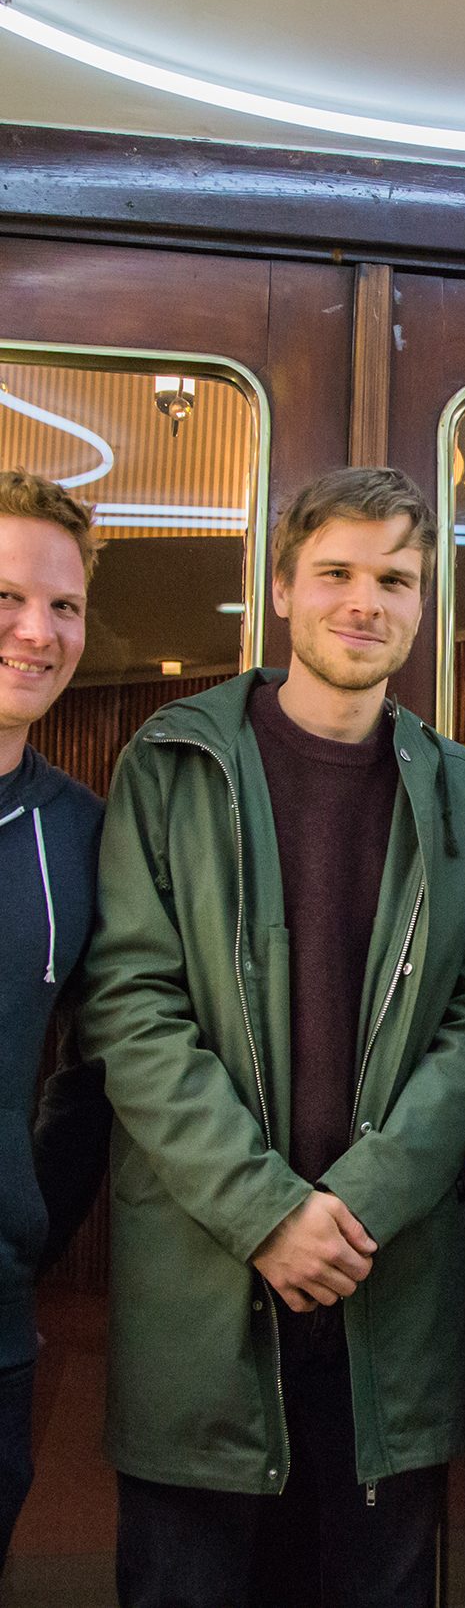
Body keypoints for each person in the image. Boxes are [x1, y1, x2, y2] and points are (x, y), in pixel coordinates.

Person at [79, 466, 465, 1608]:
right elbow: (131, 1005)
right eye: (335, 571)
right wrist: (269, 1210)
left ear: (420, 606)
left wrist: (359, 1199)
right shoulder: (168, 761)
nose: (362, 601)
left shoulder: (464, 793)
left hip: (389, 1285)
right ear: (282, 587)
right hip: (207, 1288)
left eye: (394, 578)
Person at [0, 470, 103, 1564]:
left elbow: (106, 1060)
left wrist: (24, 1221)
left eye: (64, 605)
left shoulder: (78, 832)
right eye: (8, 598)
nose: (37, 632)